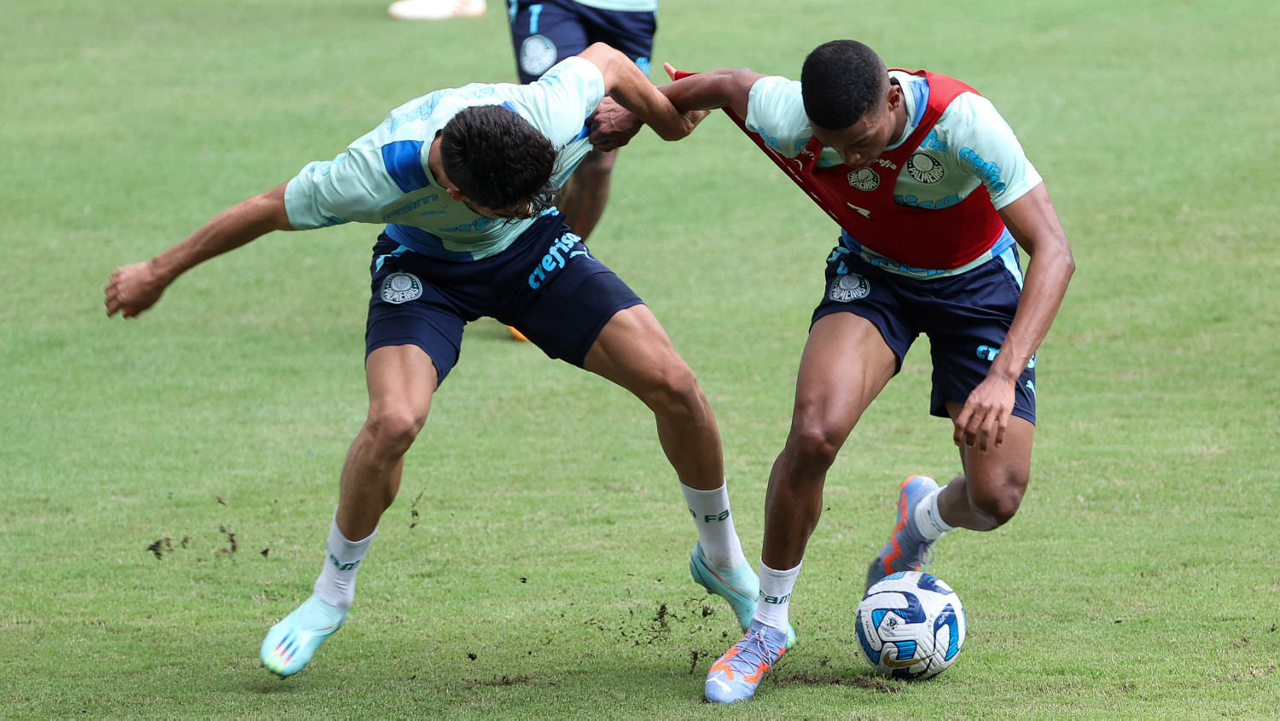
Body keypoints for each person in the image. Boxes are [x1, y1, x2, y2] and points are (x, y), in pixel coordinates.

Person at [103, 43, 762, 679]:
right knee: (393, 421)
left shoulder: (546, 110)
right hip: (426, 271)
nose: (533, 199)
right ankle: (330, 595)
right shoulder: (368, 176)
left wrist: (658, 116)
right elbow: (263, 211)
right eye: (515, 200)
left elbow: (608, 59)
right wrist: (157, 272)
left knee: (677, 387)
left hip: (534, 252)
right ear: (453, 191)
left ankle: (721, 557)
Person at [596, 40, 1075, 702]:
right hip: (875, 276)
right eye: (835, 146)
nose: (850, 161)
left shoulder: (963, 121)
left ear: (893, 99)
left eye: (862, 142)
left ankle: (921, 521)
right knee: (815, 433)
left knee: (998, 497)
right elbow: (726, 84)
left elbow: (1054, 249)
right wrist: (640, 110)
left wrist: (1004, 375)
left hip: (976, 287)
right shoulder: (791, 115)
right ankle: (767, 627)